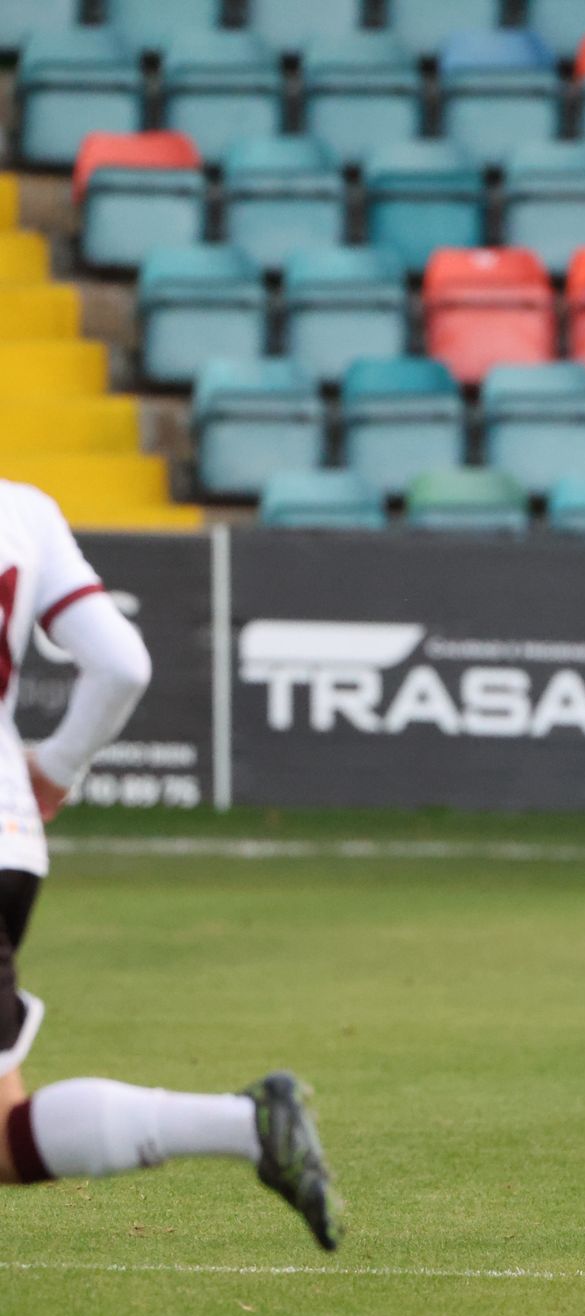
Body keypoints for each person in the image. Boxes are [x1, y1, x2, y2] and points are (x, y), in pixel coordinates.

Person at [0, 484, 341, 1249]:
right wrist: (53, 768)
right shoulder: (24, 510)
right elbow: (121, 665)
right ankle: (249, 1126)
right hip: (11, 835)